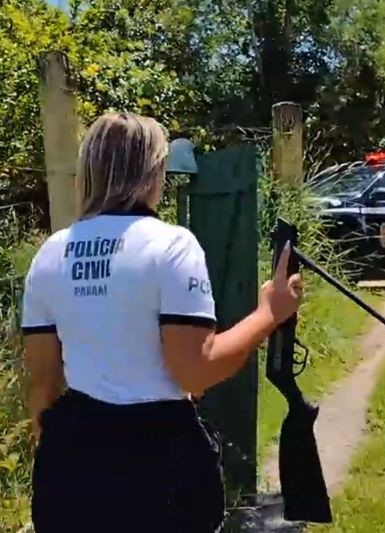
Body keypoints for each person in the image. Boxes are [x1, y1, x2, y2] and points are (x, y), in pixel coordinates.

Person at [21, 113, 302, 533]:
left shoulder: (51, 253)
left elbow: (43, 384)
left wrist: (61, 456)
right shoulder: (171, 245)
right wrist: (268, 313)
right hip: (157, 462)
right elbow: (196, 370)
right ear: (153, 172)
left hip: (71, 462)